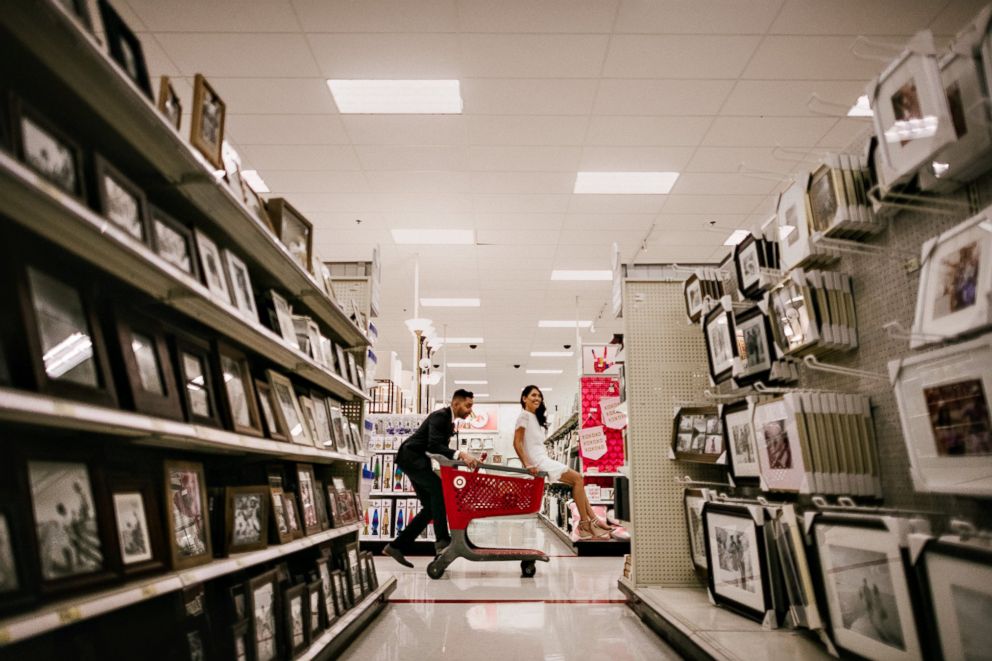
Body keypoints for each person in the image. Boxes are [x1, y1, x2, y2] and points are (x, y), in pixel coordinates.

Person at [383, 390, 480, 566]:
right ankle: (442, 540)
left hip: (418, 462)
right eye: (468, 405)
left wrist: (456, 461)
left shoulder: (449, 422)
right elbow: (434, 445)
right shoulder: (440, 416)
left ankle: (397, 546)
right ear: (456, 403)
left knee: (430, 508)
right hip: (411, 459)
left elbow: (438, 449)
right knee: (439, 491)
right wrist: (462, 454)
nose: (470, 410)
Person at [513, 385, 613, 540]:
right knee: (578, 478)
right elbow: (517, 443)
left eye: (539, 396)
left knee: (577, 482)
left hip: (543, 459)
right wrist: (527, 464)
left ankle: (593, 521)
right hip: (539, 462)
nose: (537, 398)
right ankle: (585, 524)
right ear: (524, 398)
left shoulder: (535, 419)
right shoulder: (524, 416)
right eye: (533, 395)